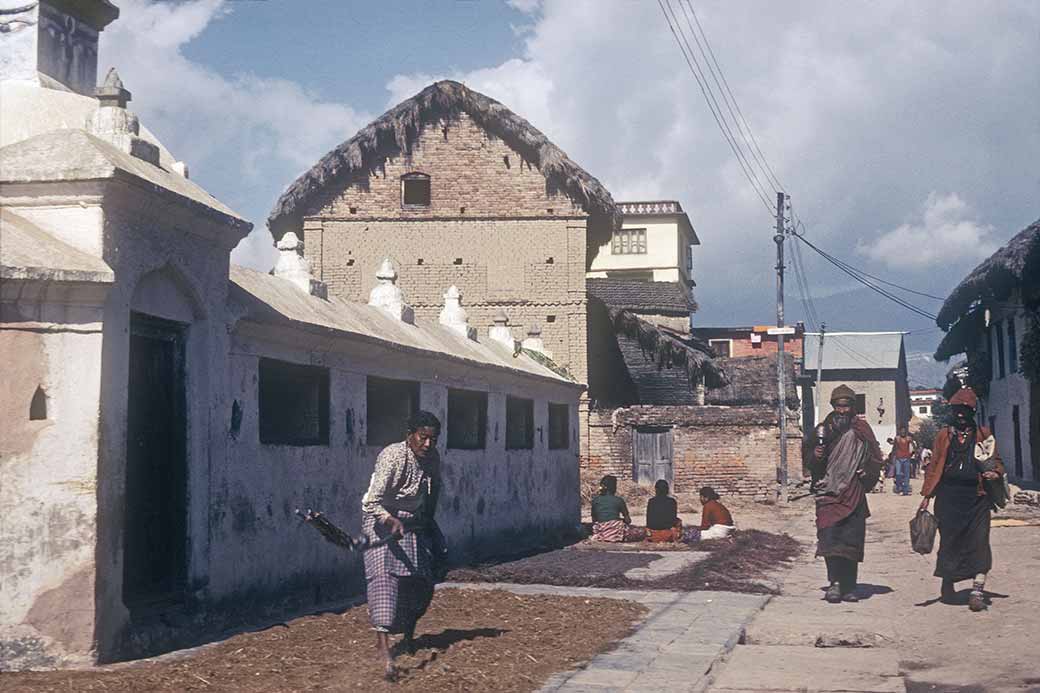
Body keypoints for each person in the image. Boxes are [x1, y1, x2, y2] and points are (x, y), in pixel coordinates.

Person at [361, 410, 446, 680]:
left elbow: (432, 495)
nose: (428, 444)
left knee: (419, 584)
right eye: (423, 438)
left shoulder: (432, 459)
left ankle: (408, 636)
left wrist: (430, 526)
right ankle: (385, 655)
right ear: (410, 435)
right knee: (384, 583)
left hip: (412, 526)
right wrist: (389, 520)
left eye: (433, 439)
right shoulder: (393, 456)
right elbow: (370, 502)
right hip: (380, 524)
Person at [918, 388, 1003, 612]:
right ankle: (948, 585)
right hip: (948, 499)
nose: (961, 415)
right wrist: (927, 496)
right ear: (951, 412)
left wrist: (995, 473)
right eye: (957, 410)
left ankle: (977, 590)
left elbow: (997, 462)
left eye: (965, 410)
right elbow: (934, 465)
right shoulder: (944, 435)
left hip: (977, 498)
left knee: (979, 541)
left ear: (972, 412)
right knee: (950, 542)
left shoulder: (984, 435)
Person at [804, 384, 884, 604]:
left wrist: (866, 471)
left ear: (852, 407)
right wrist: (816, 455)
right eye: (838, 406)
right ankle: (834, 584)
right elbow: (808, 460)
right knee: (830, 539)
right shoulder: (823, 429)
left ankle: (849, 586)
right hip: (828, 492)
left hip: (853, 492)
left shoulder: (862, 429)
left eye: (846, 406)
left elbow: (876, 457)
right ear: (833, 406)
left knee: (851, 540)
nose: (842, 411)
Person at [590, 474, 637, 542]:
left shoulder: (595, 500)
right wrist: (620, 520)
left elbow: (594, 520)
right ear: (614, 488)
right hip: (616, 533)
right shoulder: (619, 500)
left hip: (601, 532)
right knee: (638, 531)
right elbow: (628, 520)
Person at [887, 425, 917, 495]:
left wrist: (913, 454)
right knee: (898, 474)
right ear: (900, 432)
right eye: (902, 431)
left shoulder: (909, 438)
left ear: (906, 432)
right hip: (898, 458)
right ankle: (899, 487)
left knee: (907, 474)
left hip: (906, 458)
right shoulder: (897, 438)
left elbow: (914, 447)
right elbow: (894, 448)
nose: (903, 432)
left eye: (904, 431)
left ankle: (905, 490)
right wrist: (892, 457)